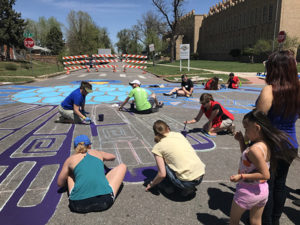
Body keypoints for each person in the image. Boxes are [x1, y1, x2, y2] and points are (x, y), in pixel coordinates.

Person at [255, 50, 299, 225]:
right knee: (280, 185)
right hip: (290, 143)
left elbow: (258, 120)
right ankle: (275, 220)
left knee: (267, 186)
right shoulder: (297, 90)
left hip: (270, 145)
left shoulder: (269, 90)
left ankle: (267, 222)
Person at [229, 109, 294, 225]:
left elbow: (266, 174)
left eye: (246, 129)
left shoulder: (254, 149)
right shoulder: (265, 144)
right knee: (256, 220)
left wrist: (241, 176)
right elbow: (249, 159)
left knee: (233, 221)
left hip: (247, 190)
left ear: (257, 128)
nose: (245, 132)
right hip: (262, 191)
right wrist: (241, 141)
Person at [57, 135, 127, 213]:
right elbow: (112, 157)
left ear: (75, 147)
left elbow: (60, 183)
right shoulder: (97, 153)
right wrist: (101, 158)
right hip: (104, 202)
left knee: (69, 173)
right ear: (89, 145)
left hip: (77, 205)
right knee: (122, 166)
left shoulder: (70, 160)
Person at [145, 120, 205, 196]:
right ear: (168, 128)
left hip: (186, 181)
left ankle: (168, 186)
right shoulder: (178, 135)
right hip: (200, 174)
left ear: (155, 133)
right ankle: (188, 186)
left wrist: (151, 184)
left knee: (164, 164)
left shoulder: (158, 147)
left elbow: (162, 174)